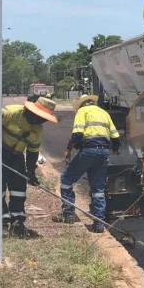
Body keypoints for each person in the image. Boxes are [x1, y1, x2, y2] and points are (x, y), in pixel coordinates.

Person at [56, 95, 122, 232]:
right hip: (104, 152)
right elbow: (115, 136)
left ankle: (68, 214)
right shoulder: (104, 113)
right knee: (98, 188)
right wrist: (116, 149)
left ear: (81, 105)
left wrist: (69, 149)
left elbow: (77, 134)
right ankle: (98, 224)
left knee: (66, 180)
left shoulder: (83, 111)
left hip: (89, 151)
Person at [2, 96, 58, 235]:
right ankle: (1, 220)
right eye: (38, 117)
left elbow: (33, 152)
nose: (39, 121)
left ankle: (17, 221)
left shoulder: (38, 129)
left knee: (19, 190)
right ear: (30, 111)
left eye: (43, 119)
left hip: (17, 156)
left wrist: (31, 172)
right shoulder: (10, 112)